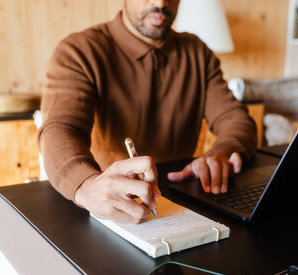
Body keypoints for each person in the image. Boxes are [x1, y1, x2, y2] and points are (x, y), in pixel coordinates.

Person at [38, 0, 257, 224]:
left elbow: (235, 119)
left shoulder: (198, 52)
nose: (161, 2)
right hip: (107, 205)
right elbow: (60, 129)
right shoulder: (79, 50)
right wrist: (85, 184)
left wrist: (219, 154)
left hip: (184, 204)